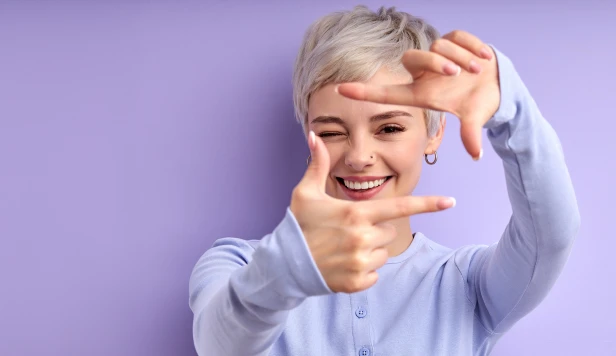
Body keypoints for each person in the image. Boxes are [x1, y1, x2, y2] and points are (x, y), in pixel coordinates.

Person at [189, 5, 580, 356]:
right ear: (307, 135)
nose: (359, 157)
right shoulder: (238, 263)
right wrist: (286, 273)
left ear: (434, 132)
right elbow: (218, 345)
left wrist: (511, 110)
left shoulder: (467, 284)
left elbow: (551, 236)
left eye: (389, 127)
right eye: (330, 132)